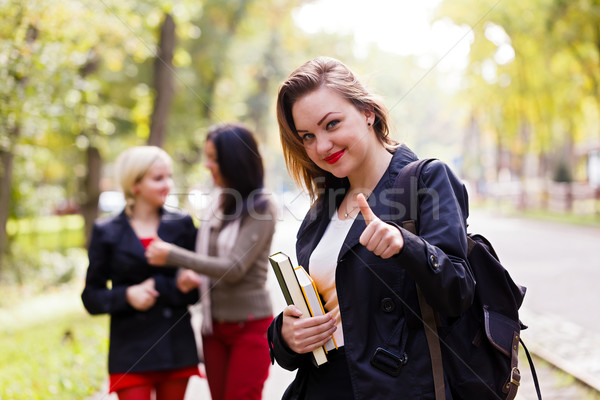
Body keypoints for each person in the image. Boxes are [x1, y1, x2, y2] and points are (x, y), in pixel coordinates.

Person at [267, 56, 476, 399]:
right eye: (307, 135)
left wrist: (405, 244)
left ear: (368, 112)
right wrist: (286, 336)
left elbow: (459, 293)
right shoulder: (322, 209)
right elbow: (329, 306)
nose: (321, 146)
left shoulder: (425, 180)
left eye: (331, 124)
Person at [145, 123, 277, 400]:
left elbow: (233, 268)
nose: (207, 165)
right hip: (213, 328)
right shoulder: (217, 202)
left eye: (214, 158)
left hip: (249, 328)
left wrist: (172, 256)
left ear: (235, 161)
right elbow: (204, 257)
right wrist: (184, 271)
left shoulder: (262, 206)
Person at [81, 146, 200, 400]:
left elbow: (196, 294)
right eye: (158, 178)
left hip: (175, 346)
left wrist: (187, 285)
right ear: (135, 185)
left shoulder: (183, 225)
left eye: (168, 176)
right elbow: (91, 297)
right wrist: (127, 296)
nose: (167, 184)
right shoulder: (107, 231)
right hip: (130, 352)